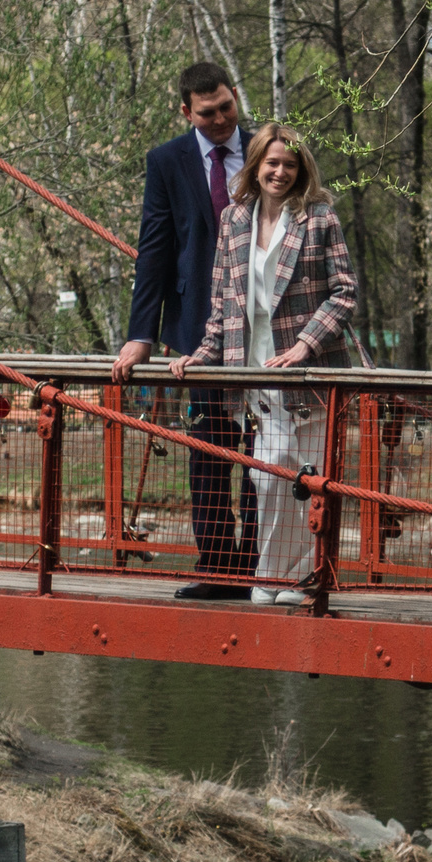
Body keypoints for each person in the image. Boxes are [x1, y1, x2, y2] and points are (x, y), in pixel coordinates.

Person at [174, 122, 357, 604]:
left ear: (302, 171)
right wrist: (202, 356)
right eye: (272, 163)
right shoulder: (235, 220)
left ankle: (292, 579)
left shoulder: (319, 218)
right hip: (255, 369)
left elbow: (344, 292)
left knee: (308, 476)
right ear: (255, 165)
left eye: (290, 165)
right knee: (269, 472)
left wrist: (306, 345)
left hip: (310, 372)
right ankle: (278, 577)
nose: (280, 172)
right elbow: (223, 304)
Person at [116, 63, 255, 599]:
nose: (220, 120)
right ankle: (219, 568)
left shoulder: (269, 147)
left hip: (265, 327)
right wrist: (141, 333)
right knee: (210, 446)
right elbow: (154, 249)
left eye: (226, 107)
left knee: (267, 448)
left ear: (234, 97)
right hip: (198, 326)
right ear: (186, 112)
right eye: (207, 112)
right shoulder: (167, 162)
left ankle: (261, 564)